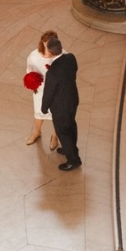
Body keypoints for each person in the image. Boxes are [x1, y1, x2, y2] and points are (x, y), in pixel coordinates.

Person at [41, 37, 82, 171]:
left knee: (63, 132)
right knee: (71, 124)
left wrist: (44, 107)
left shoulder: (52, 72)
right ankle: (69, 147)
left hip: (60, 106)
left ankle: (73, 160)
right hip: (72, 99)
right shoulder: (71, 58)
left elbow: (49, 93)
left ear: (50, 52)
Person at [25, 30, 60, 150]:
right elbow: (29, 70)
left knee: (57, 115)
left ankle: (55, 136)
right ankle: (37, 132)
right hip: (40, 90)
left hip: (56, 91)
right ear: (43, 43)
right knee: (39, 113)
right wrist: (32, 81)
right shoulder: (34, 56)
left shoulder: (61, 55)